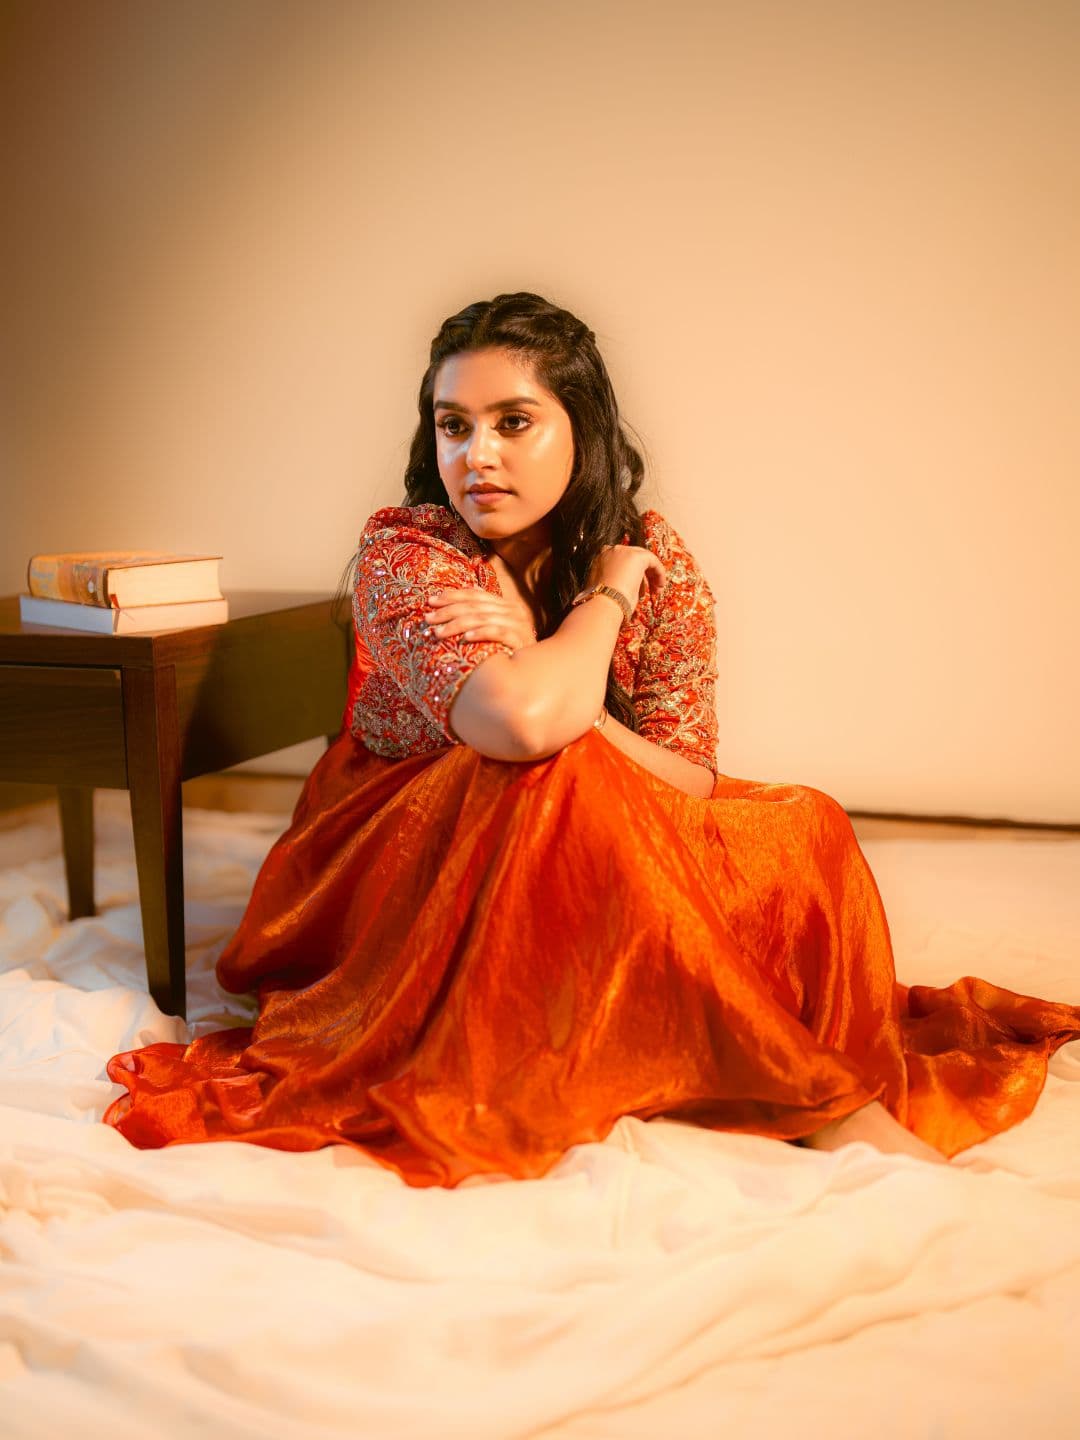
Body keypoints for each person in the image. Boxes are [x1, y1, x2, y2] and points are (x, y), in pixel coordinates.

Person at [102, 291, 1080, 1187]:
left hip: (564, 811)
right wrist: (607, 601)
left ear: (583, 430)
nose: (477, 456)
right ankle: (818, 1102)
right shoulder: (409, 550)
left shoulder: (658, 553)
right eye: (455, 427)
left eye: (514, 422)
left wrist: (593, 693)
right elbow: (521, 724)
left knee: (802, 823)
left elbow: (686, 777)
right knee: (549, 765)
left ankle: (676, 1034)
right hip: (392, 854)